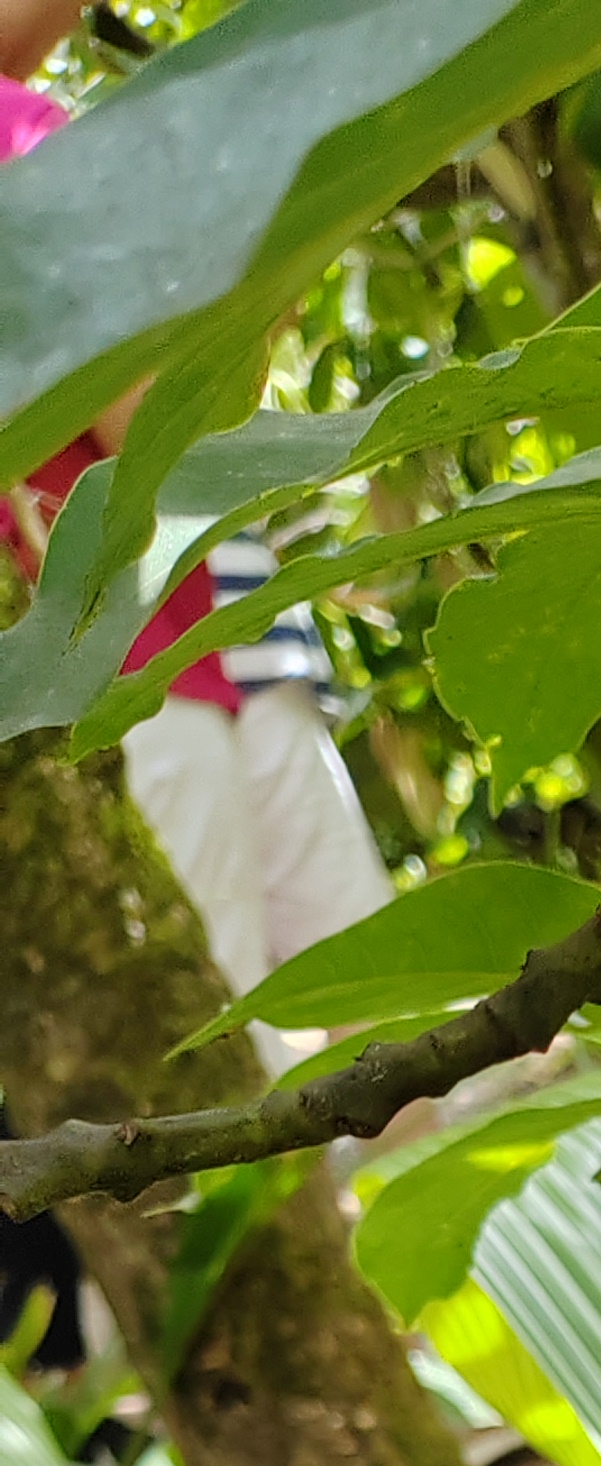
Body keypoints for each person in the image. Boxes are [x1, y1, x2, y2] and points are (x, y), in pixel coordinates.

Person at [3, 0, 390, 1023]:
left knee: (280, 1030)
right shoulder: (21, 136)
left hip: (158, 650)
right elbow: (160, 418)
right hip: (134, 663)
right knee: (326, 1029)